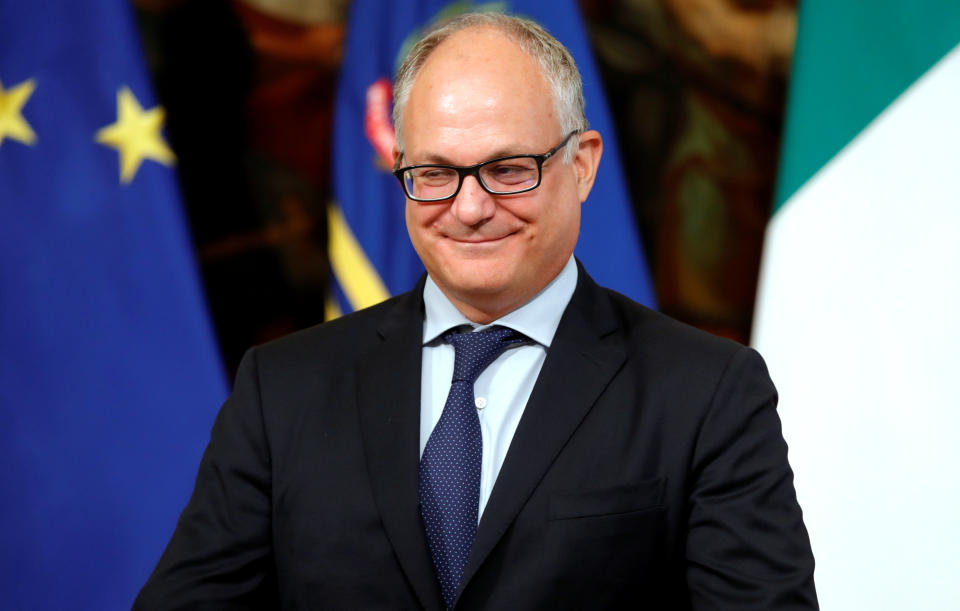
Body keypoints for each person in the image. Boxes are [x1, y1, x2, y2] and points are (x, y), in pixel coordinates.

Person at [135, 12, 816, 610]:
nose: (469, 207)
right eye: (434, 173)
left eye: (509, 168)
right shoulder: (282, 389)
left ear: (581, 164)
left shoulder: (707, 392)